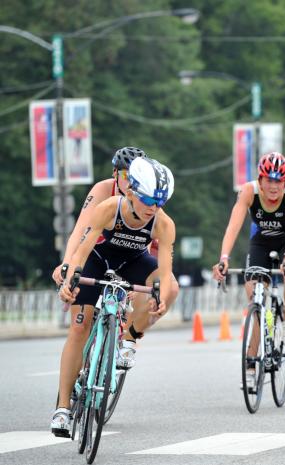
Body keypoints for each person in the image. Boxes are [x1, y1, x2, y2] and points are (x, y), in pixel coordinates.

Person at [52, 157, 177, 437]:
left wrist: (161, 297)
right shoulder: (109, 207)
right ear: (131, 192)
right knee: (79, 326)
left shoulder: (164, 224)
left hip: (134, 261)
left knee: (168, 287)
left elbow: (164, 273)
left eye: (159, 203)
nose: (152, 209)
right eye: (147, 201)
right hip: (99, 258)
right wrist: (70, 280)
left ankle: (128, 339)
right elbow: (82, 252)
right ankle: (62, 408)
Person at [212, 152, 285, 356]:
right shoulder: (248, 191)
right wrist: (224, 258)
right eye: (269, 180)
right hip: (261, 242)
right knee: (254, 297)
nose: (274, 186)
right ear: (260, 180)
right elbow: (233, 227)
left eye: (279, 181)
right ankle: (253, 362)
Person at [52, 147, 164, 288]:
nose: (131, 183)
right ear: (115, 173)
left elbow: (145, 240)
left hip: (130, 256)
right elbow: (80, 229)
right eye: (126, 176)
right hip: (99, 253)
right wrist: (66, 262)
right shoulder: (102, 189)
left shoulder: (148, 198)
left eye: (137, 177)